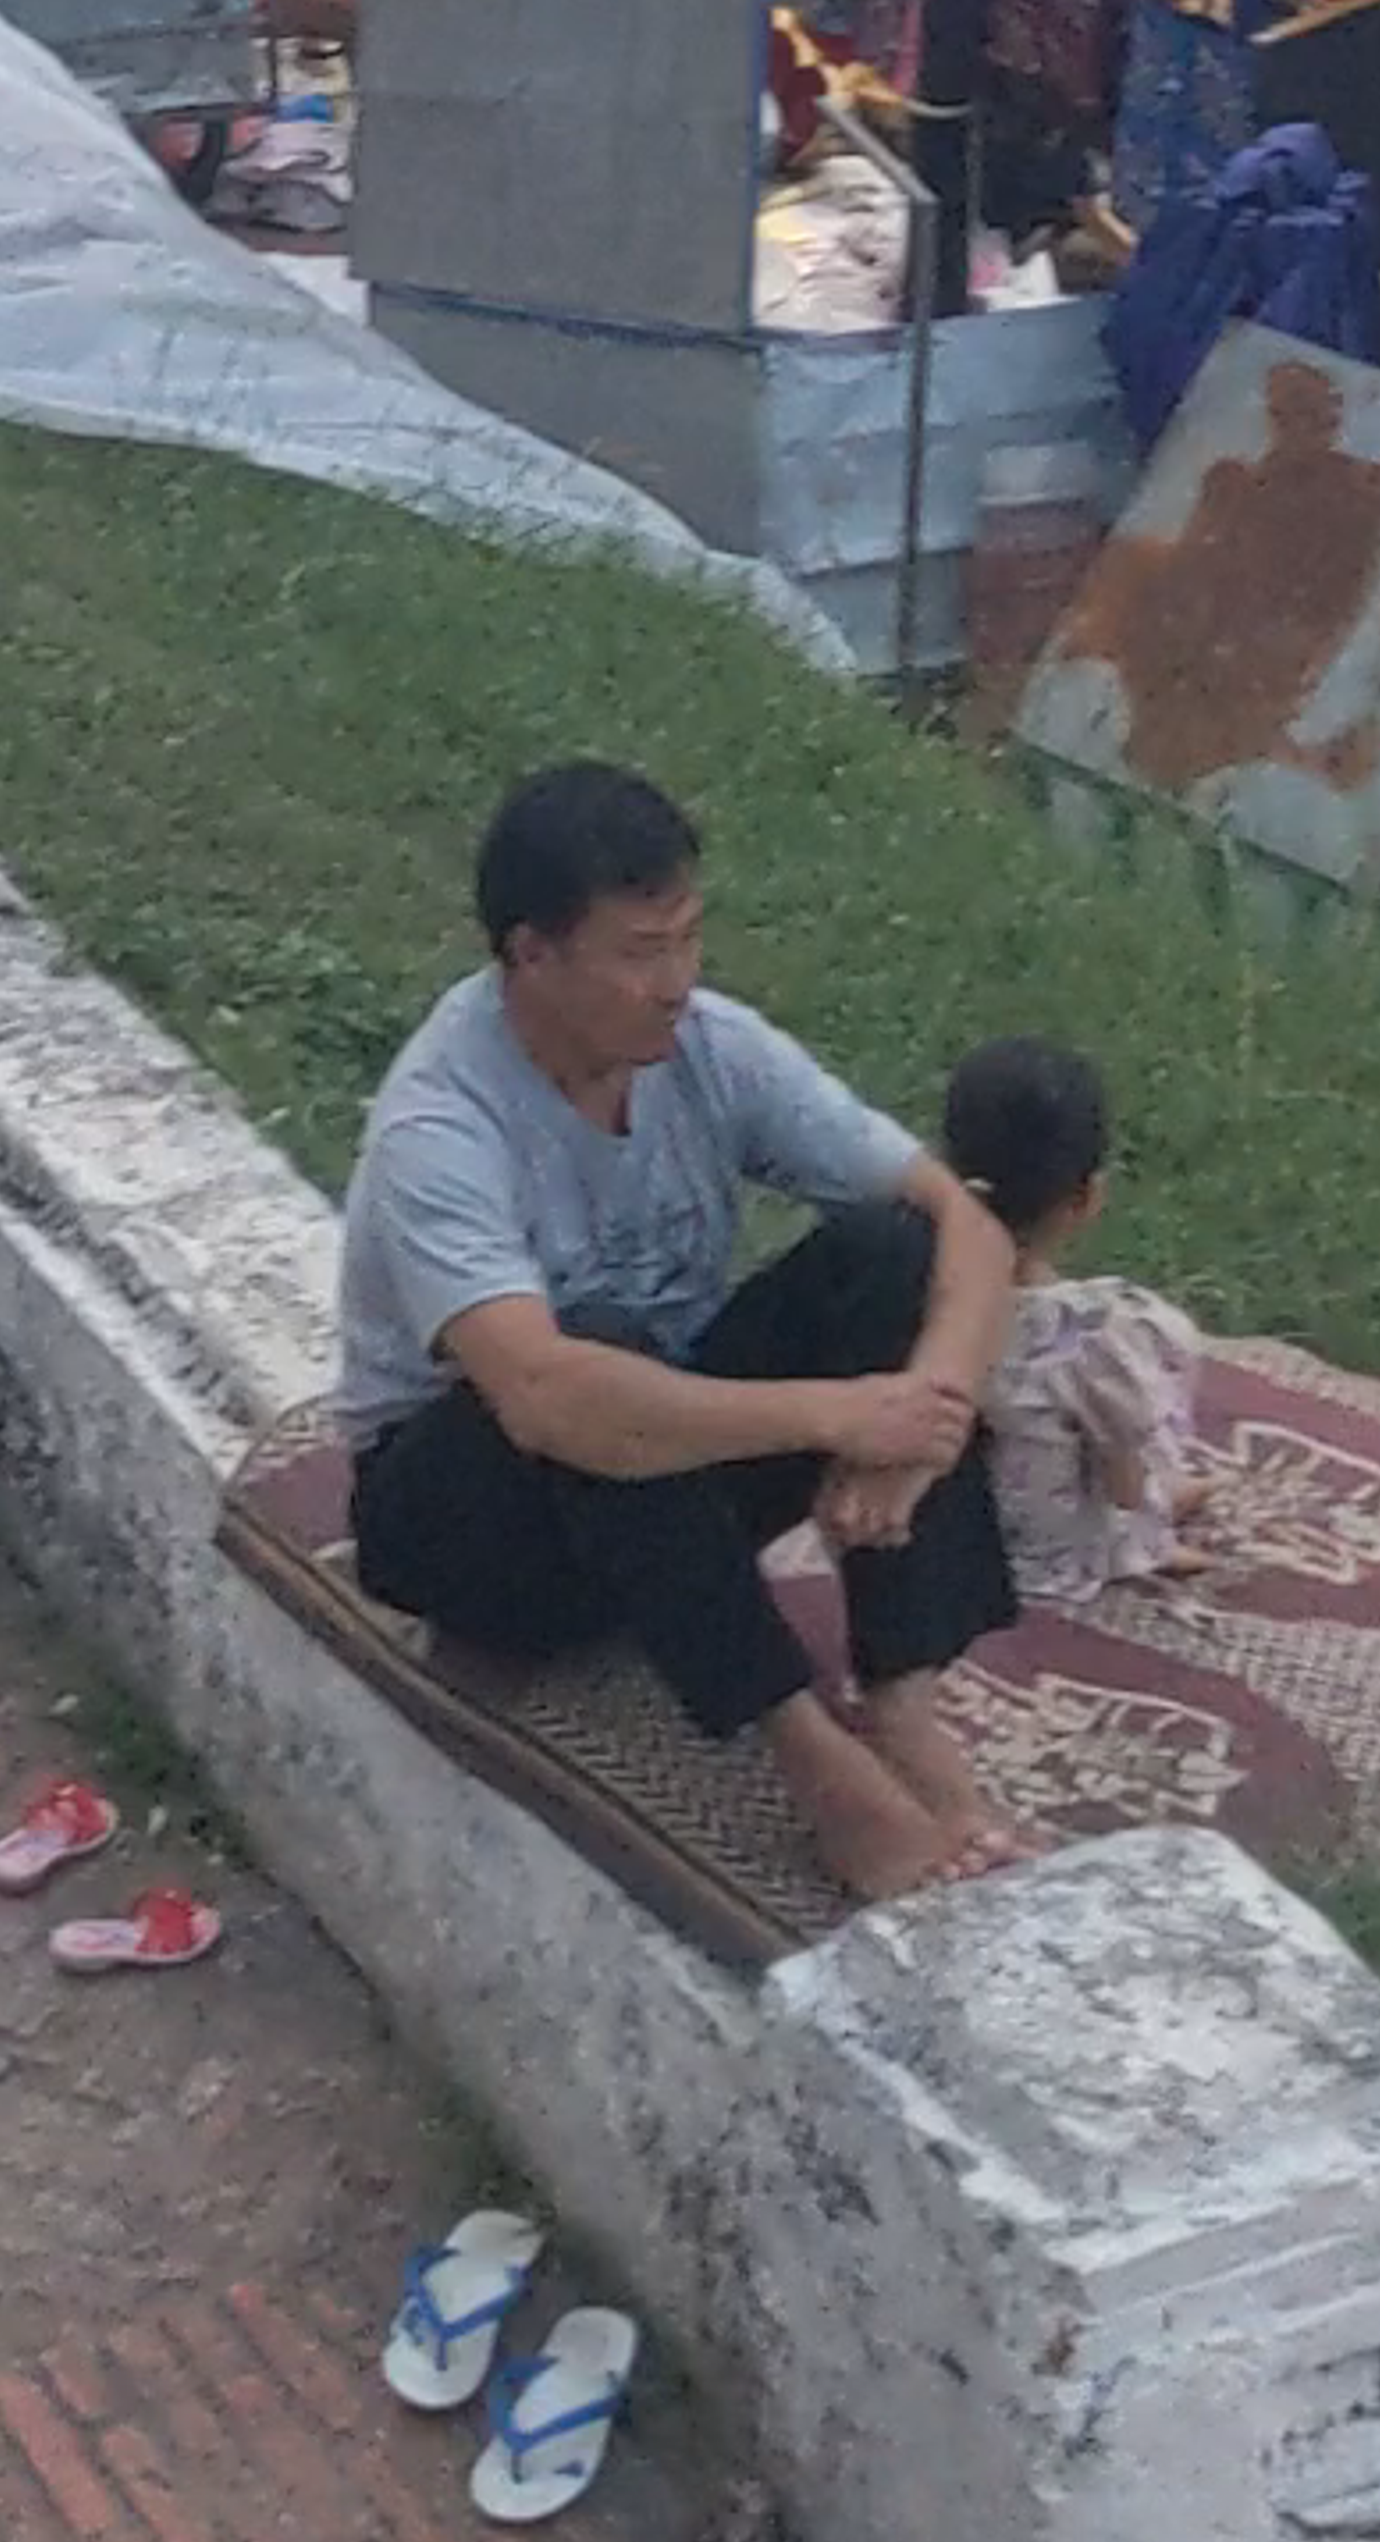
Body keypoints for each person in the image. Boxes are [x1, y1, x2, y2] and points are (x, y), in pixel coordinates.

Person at [337, 763, 1025, 1904]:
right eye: (640, 952)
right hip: (475, 1520)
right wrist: (837, 1413)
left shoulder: (707, 1047)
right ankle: (817, 1764)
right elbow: (545, 1395)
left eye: (689, 938)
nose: (677, 981)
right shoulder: (441, 1124)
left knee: (891, 1250)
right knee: (596, 1359)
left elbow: (968, 1222)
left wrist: (923, 1421)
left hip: (663, 1487)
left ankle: (902, 1700)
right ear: (531, 954)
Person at [943, 1038, 1202, 1605]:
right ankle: (1152, 1537)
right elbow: (1123, 1480)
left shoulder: (906, 1277)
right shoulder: (1089, 1331)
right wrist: (1147, 1517)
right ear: (1087, 1197)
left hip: (939, 1531)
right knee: (1141, 1404)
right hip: (1040, 1559)